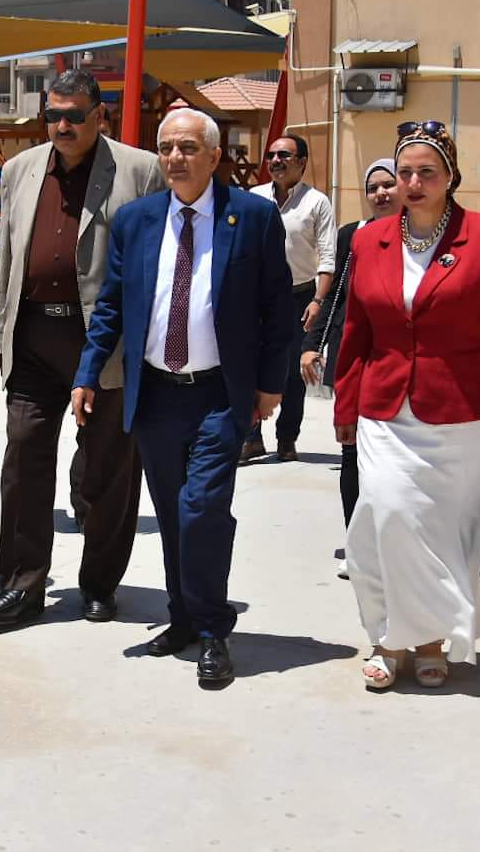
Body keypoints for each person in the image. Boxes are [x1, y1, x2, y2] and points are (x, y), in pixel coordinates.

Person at [71, 108, 292, 686]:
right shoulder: (136, 220)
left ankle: (214, 628)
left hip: (219, 393)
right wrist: (87, 373)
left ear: (215, 157)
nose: (175, 158)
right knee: (172, 513)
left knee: (202, 508)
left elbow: (278, 308)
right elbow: (111, 305)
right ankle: (183, 617)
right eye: (166, 147)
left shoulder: (253, 217)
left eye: (188, 147)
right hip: (156, 395)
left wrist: (271, 384)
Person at [334, 120, 480, 691]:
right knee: (387, 515)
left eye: (427, 172)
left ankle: (427, 642)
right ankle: (387, 636)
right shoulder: (368, 240)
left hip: (469, 416)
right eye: (404, 172)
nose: (413, 182)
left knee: (443, 533)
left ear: (451, 177)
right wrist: (345, 405)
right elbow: (356, 331)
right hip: (386, 410)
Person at [0, 69, 164, 626]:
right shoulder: (19, 169)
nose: (62, 126)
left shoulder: (140, 170)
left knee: (107, 470)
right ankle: (23, 584)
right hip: (34, 338)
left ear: (99, 116)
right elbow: (10, 249)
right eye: (53, 116)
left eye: (74, 116)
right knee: (23, 457)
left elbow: (155, 259)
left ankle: (100, 583)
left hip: (105, 343)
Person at [301, 158, 400, 563]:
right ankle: (358, 546)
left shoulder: (422, 238)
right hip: (353, 358)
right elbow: (335, 296)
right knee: (352, 454)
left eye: (388, 185)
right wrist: (312, 344)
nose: (380, 193)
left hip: (398, 363)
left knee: (393, 458)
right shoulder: (353, 235)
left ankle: (392, 545)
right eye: (372, 187)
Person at [241, 134, 335, 463]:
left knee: (294, 373)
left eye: (284, 155)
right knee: (250, 366)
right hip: (257, 298)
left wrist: (318, 301)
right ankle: (251, 438)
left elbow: (328, 257)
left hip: (300, 298)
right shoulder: (253, 198)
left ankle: (286, 438)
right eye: (271, 155)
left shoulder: (317, 202)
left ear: (302, 162)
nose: (276, 161)